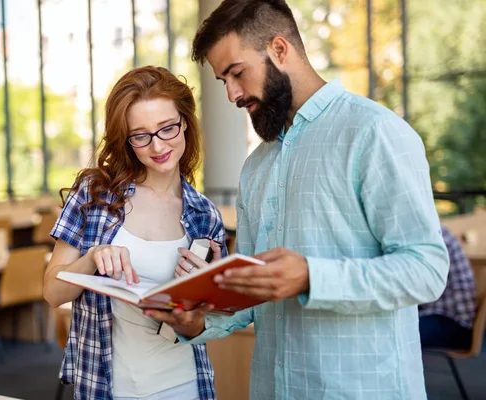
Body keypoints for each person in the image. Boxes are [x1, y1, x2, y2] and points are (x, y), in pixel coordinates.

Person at [145, 1, 450, 399]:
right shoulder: (256, 166)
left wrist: (310, 276)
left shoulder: (375, 133)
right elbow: (252, 293)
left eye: (237, 73)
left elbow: (426, 270)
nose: (233, 94)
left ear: (280, 49)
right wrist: (198, 323)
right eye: (223, 80)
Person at [43, 66, 226, 400]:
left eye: (167, 128)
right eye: (141, 135)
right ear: (125, 140)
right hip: (109, 386)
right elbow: (53, 293)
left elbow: (214, 320)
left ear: (185, 122)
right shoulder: (94, 195)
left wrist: (205, 291)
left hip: (185, 384)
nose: (158, 146)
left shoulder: (205, 215)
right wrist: (91, 259)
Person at [419, 225, 477, 349]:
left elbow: (418, 289)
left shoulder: (432, 236)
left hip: (454, 322)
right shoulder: (430, 231)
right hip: (439, 314)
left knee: (393, 333)